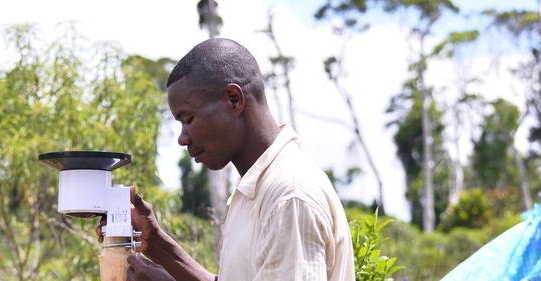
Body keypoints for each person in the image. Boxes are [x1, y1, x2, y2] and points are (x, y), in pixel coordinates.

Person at [99, 38, 355, 281]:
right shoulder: (259, 189)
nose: (182, 138)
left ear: (234, 100)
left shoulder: (288, 196)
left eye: (188, 119)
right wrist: (155, 243)